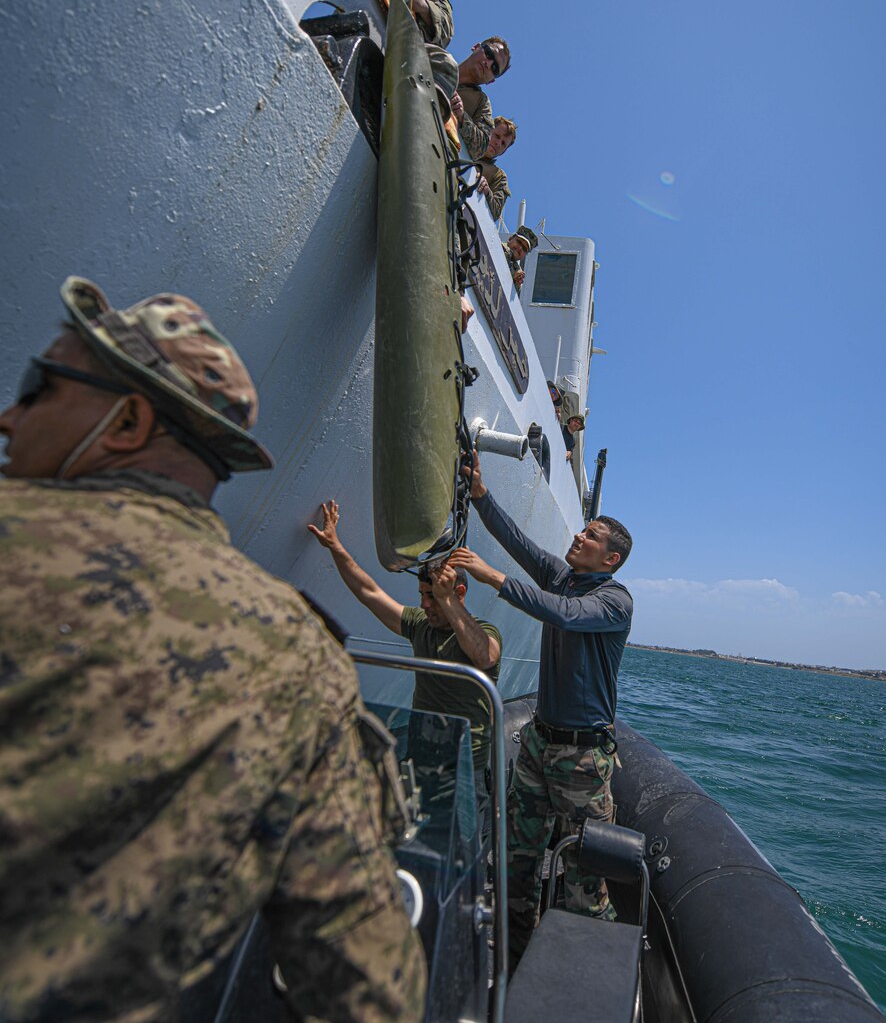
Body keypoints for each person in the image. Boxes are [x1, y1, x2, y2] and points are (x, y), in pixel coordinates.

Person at [0, 277, 425, 1023]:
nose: (9, 416)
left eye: (38, 387)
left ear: (128, 422)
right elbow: (370, 992)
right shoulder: (304, 656)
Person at [449, 451, 633, 965]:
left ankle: (579, 974)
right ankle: (514, 961)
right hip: (539, 744)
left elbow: (566, 615)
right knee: (517, 861)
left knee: (582, 876)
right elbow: (518, 543)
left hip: (581, 758)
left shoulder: (614, 601)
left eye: (590, 536)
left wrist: (490, 578)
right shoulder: (562, 574)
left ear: (610, 558)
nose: (578, 537)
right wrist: (481, 496)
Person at [309, 500, 501, 829]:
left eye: (432, 596)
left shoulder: (481, 632)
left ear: (457, 593)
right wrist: (335, 546)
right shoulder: (420, 624)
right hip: (421, 755)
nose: (424, 604)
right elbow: (370, 592)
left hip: (462, 768)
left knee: (460, 848)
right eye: (422, 595)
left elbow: (485, 656)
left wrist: (446, 600)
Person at [450, 37, 511, 159]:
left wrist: (462, 117)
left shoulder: (481, 104)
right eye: (489, 54)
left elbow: (481, 147)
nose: (488, 64)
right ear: (476, 47)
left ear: (491, 81)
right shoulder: (440, 61)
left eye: (494, 68)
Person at [475, 117, 518, 221]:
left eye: (503, 144)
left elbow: (495, 213)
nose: (498, 143)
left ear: (504, 151)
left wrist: (487, 191)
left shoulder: (498, 176)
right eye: (497, 136)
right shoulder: (464, 144)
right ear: (489, 130)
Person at [502, 224, 538, 290]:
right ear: (510, 239)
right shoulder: (496, 246)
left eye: (524, 248)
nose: (520, 248)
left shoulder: (517, 273)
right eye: (519, 242)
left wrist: (514, 282)